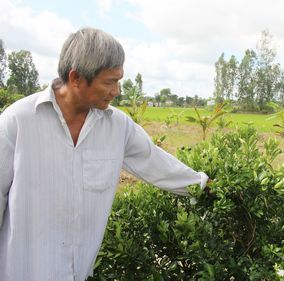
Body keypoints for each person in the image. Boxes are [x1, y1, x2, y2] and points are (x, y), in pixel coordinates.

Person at [0, 27, 209, 281]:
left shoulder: (117, 127)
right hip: (21, 271)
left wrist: (202, 186)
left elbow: (154, 161)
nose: (117, 91)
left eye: (118, 81)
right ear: (76, 78)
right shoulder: (18, 121)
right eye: (110, 82)